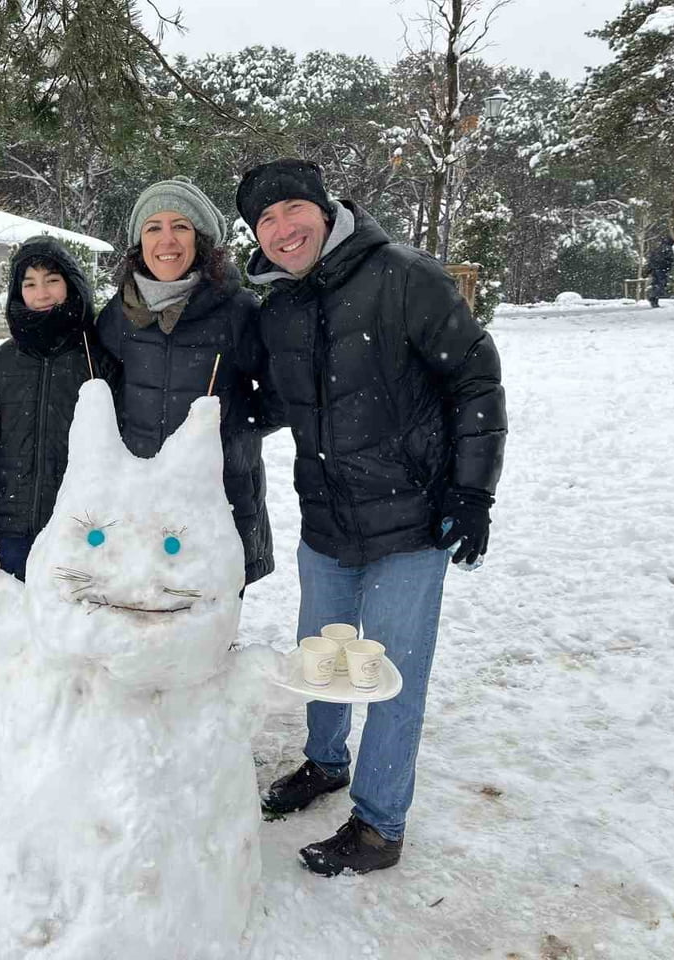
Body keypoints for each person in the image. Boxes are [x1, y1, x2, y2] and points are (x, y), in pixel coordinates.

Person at [235, 159, 506, 876]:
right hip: (326, 520)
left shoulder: (403, 276)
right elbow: (279, 402)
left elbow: (475, 377)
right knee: (318, 657)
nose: (282, 230)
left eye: (293, 210)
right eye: (265, 221)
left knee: (390, 675)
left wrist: (473, 492)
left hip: (411, 522)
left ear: (325, 210)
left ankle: (381, 825)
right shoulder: (279, 309)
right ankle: (324, 763)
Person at [97, 176, 273, 587]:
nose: (167, 239)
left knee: (209, 628)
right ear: (139, 243)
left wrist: (233, 431)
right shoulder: (120, 312)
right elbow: (100, 387)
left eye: (180, 226)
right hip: (141, 495)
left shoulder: (238, 310)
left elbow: (279, 393)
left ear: (201, 239)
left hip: (216, 493)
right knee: (143, 618)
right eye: (153, 228)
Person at [0, 237, 117, 580]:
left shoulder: (96, 358)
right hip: (13, 527)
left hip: (80, 527)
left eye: (52, 281)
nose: (41, 294)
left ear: (71, 285)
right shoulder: (3, 361)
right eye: (29, 283)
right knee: (15, 626)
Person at [647, 236, 674, 308]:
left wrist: (650, 267)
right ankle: (654, 297)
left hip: (655, 268)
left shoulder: (658, 247)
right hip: (662, 269)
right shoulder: (668, 248)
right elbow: (670, 259)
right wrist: (668, 267)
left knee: (656, 283)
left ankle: (654, 298)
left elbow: (651, 257)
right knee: (661, 284)